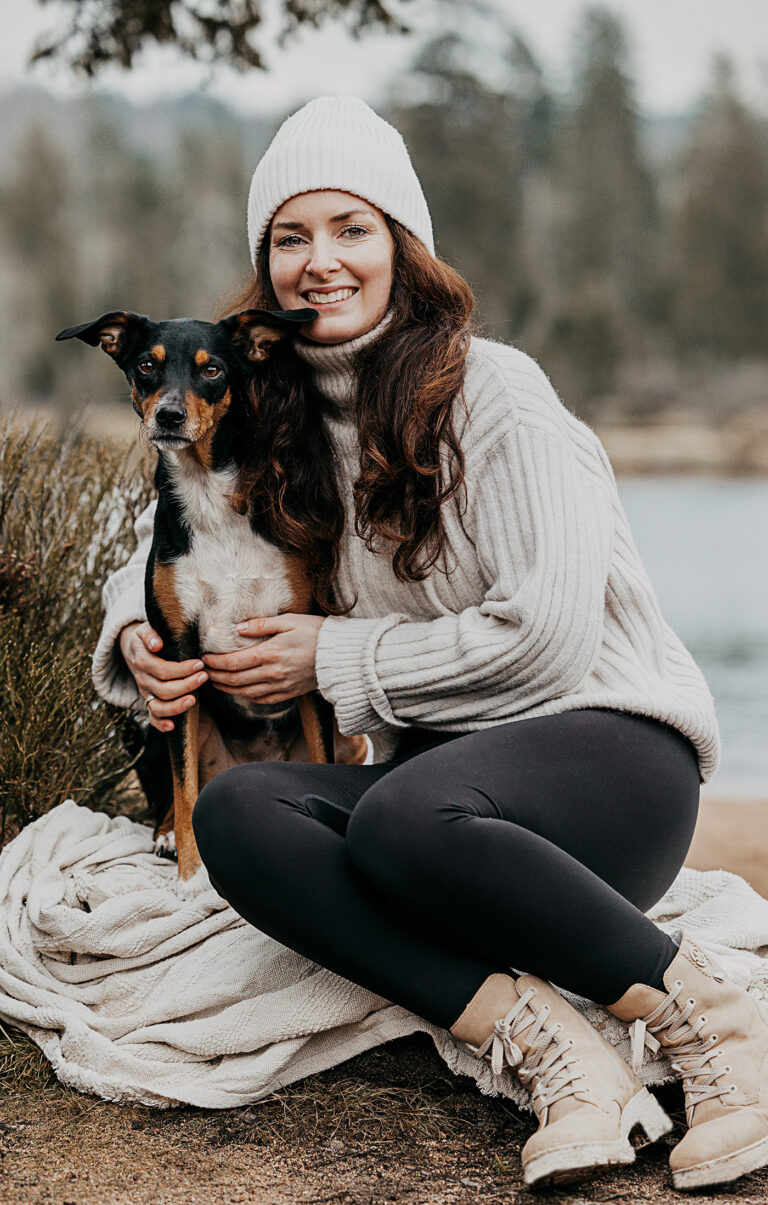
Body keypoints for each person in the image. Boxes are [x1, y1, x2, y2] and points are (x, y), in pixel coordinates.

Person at [92, 96, 768, 1192]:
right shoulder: (265, 407)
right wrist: (137, 630)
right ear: (265, 267)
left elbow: (546, 638)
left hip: (610, 762)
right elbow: (173, 527)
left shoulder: (498, 393)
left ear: (404, 246)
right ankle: (555, 1049)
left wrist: (330, 662)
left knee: (405, 812)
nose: (321, 260)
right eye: (290, 237)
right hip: (446, 814)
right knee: (241, 815)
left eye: (351, 228)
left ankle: (716, 1020)